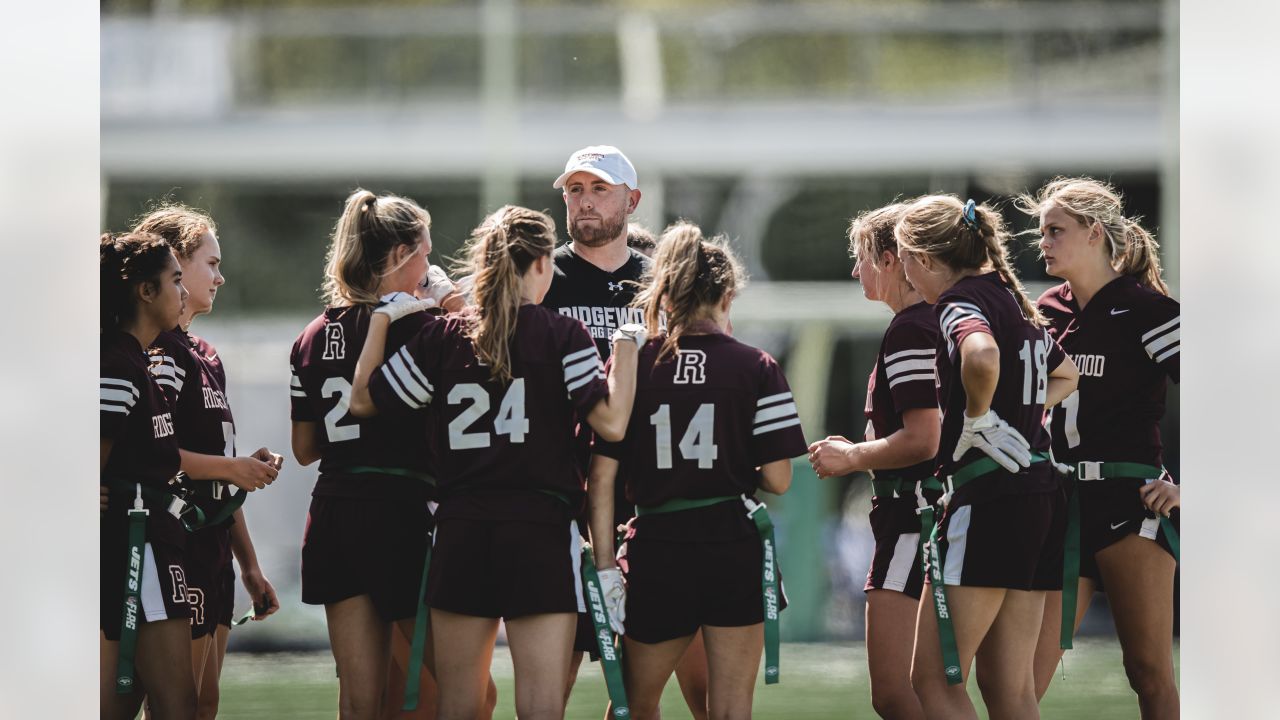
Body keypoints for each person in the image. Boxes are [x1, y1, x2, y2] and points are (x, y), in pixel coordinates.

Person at [348, 205, 642, 720]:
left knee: (458, 707)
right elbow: (613, 425)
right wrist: (627, 347)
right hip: (540, 531)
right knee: (541, 707)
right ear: (543, 264)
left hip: (462, 532)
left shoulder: (443, 337)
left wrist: (381, 322)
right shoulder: (562, 334)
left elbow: (366, 401)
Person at [589, 222, 807, 720]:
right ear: (727, 296)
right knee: (729, 710)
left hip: (657, 548)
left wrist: (604, 565)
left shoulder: (635, 363)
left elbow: (601, 478)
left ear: (665, 293)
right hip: (732, 544)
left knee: (632, 705)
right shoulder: (757, 366)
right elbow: (778, 478)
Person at [894, 195, 1079, 720]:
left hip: (990, 498)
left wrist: (979, 415)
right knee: (1009, 688)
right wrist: (1015, 407)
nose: (905, 273)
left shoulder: (960, 302)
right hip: (1041, 496)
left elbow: (981, 354)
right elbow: (1067, 375)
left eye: (906, 259)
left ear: (926, 260)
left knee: (932, 681)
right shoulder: (1013, 299)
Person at [289, 189, 455, 719]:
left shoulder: (312, 335)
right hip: (401, 515)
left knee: (360, 703)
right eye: (425, 253)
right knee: (466, 694)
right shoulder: (423, 326)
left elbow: (304, 449)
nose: (431, 267)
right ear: (398, 255)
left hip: (335, 513)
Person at [1019, 177, 1180, 718]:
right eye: (1041, 231)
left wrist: (1187, 484)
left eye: (1055, 230)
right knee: (1022, 678)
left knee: (1150, 673)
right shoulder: (1045, 308)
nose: (1043, 242)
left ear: (1094, 233)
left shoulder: (1149, 310)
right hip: (1060, 503)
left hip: (1129, 504)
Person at [132, 205, 283, 720]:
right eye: (210, 264)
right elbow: (150, 453)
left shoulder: (206, 355)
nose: (221, 276)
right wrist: (231, 468)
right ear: (174, 266)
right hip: (178, 543)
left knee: (206, 705)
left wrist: (250, 566)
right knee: (178, 705)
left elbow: (219, 463)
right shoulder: (161, 355)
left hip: (215, 549)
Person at [807, 202, 941, 720]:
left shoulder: (912, 328)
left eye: (860, 257)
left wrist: (851, 456)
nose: (854, 270)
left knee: (899, 693)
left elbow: (923, 438)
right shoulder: (941, 321)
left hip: (913, 517)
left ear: (891, 260)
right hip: (930, 515)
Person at [100, 231, 195, 720]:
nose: (183, 292)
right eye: (176, 280)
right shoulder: (116, 365)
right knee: (179, 708)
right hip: (140, 550)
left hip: (157, 541)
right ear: (145, 290)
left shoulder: (139, 362)